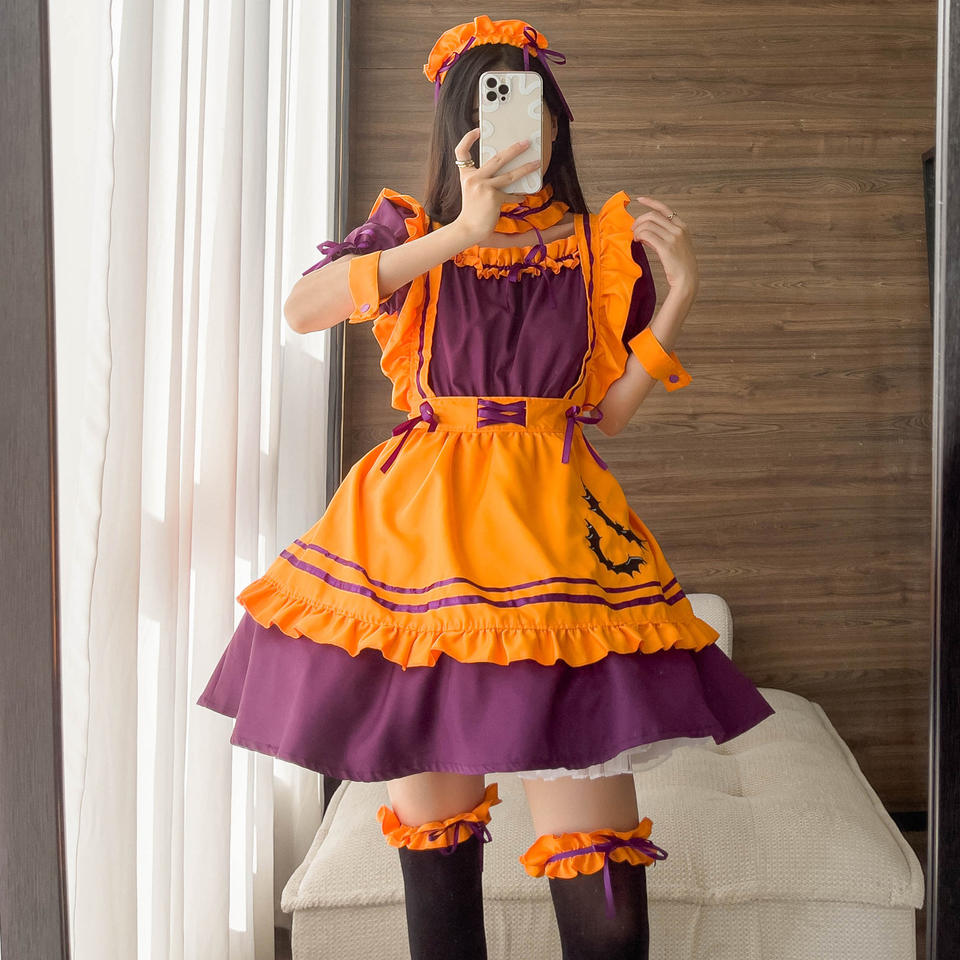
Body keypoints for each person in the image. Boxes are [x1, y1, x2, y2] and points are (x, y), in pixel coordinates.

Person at [197, 15, 776, 960]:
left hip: (553, 540)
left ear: (557, 121)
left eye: (535, 105)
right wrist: (461, 233)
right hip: (414, 548)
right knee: (438, 869)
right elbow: (303, 308)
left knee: (604, 895)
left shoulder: (598, 247)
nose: (522, 125)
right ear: (459, 126)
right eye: (497, 107)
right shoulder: (411, 234)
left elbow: (607, 413)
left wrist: (677, 300)